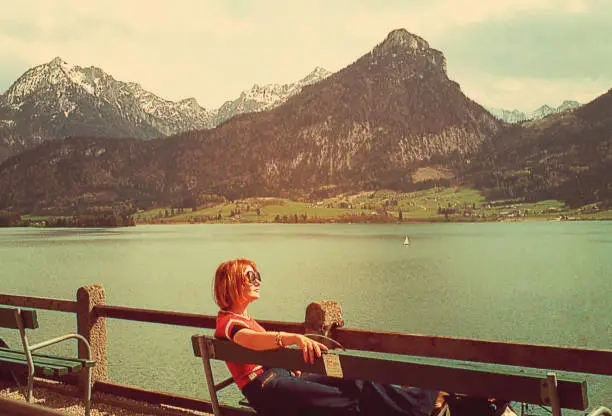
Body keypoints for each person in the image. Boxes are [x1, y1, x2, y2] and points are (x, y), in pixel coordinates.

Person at [213, 258, 439, 416]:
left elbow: (258, 348)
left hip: (280, 377)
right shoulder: (229, 323)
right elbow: (250, 341)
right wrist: (294, 338)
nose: (257, 281)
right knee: (345, 399)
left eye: (257, 275)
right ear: (231, 283)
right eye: (250, 276)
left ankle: (418, 401)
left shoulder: (242, 318)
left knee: (352, 377)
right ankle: (420, 403)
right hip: (267, 388)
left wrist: (291, 367)